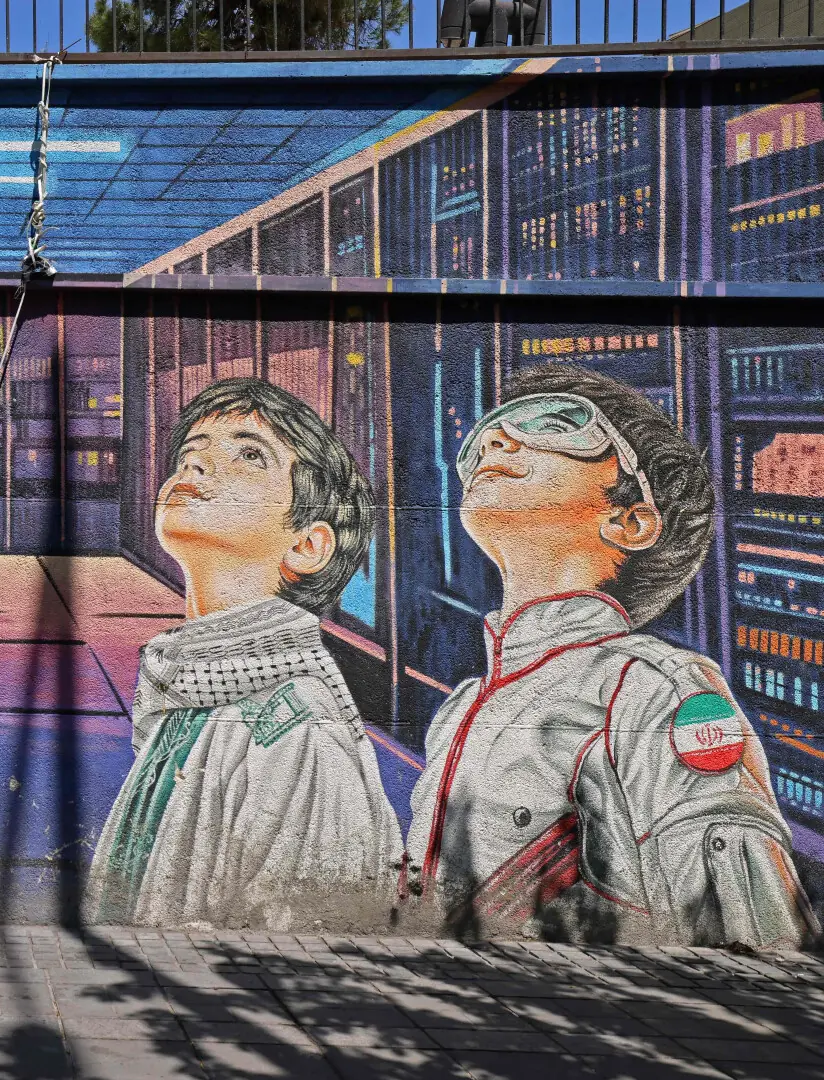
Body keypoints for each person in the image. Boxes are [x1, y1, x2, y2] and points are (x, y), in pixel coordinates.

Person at [405, 363, 818, 947]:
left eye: (553, 424)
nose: (494, 440)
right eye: (485, 436)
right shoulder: (461, 707)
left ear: (630, 521)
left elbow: (756, 949)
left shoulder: (659, 691)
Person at [84, 378, 402, 929]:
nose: (196, 464)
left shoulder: (296, 730)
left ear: (306, 545)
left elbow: (298, 949)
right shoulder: (189, 692)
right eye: (191, 451)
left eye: (250, 455)